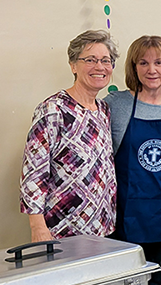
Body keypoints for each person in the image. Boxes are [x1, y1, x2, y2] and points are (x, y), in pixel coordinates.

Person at [104, 36, 161, 285]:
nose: (151, 70)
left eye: (158, 62)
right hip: (124, 215)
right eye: (143, 63)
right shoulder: (115, 105)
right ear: (134, 68)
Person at [20, 30, 119, 242]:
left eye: (106, 60)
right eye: (90, 60)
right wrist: (37, 226)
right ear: (73, 65)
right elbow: (33, 172)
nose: (100, 67)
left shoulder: (103, 110)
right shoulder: (53, 109)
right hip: (62, 229)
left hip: (103, 227)